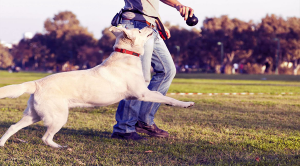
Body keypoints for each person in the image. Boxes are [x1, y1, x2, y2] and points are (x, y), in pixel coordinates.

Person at [111, 0, 194, 140]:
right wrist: (178, 5)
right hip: (135, 27)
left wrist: (158, 22)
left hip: (150, 27)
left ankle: (143, 121)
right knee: (138, 79)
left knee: (167, 71)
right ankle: (123, 128)